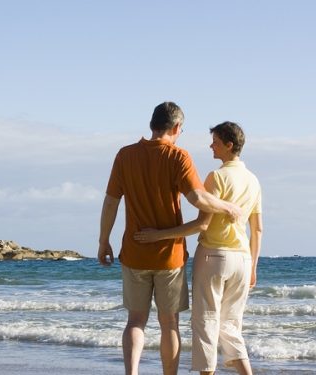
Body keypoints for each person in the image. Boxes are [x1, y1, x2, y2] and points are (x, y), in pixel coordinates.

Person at [98, 102, 242, 375]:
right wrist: (228, 207)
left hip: (134, 251)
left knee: (135, 322)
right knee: (169, 324)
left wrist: (103, 241)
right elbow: (197, 198)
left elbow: (110, 203)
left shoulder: (125, 155)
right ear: (176, 128)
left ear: (152, 124)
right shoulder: (178, 157)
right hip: (169, 256)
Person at [134, 121, 262, 375]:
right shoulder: (253, 180)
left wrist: (159, 236)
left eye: (215, 141)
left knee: (206, 323)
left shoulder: (217, 177)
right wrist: (253, 267)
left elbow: (203, 225)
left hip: (214, 256)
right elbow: (257, 229)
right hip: (243, 260)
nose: (210, 145)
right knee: (231, 326)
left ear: (229, 145)